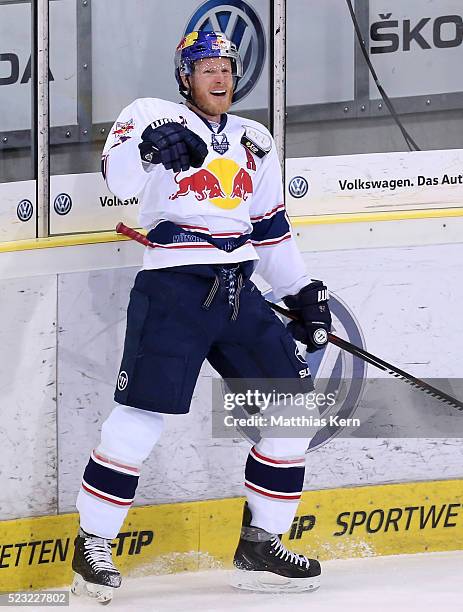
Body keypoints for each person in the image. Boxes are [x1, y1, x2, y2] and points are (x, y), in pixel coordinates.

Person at [70, 31, 331, 603]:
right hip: (174, 288)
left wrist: (303, 291)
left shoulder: (254, 139)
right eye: (207, 68)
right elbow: (119, 182)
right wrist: (149, 149)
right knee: (140, 417)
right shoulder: (149, 114)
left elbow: (268, 227)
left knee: (294, 414)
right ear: (185, 76)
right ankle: (92, 547)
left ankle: (260, 542)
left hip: (239, 289)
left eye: (227, 69)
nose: (220, 78)